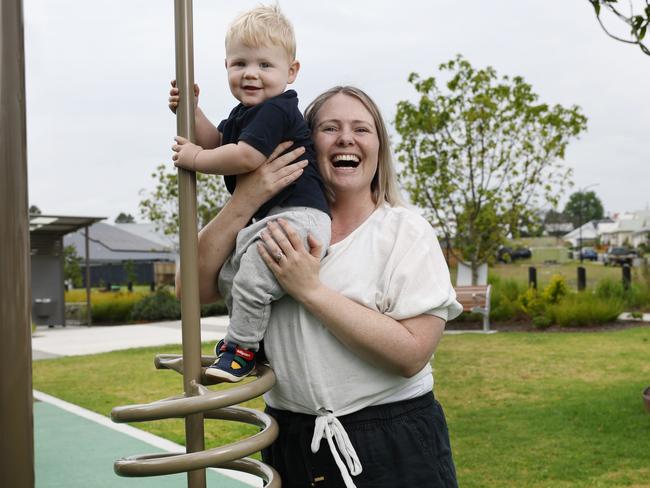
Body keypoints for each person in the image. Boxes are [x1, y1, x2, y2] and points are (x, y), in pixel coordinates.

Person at [178, 86, 462, 488]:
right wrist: (247, 198)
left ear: (379, 148)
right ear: (308, 143)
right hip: (291, 438)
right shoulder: (270, 227)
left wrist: (311, 289)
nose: (347, 138)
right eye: (330, 128)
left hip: (391, 439)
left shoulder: (404, 232)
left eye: (362, 129)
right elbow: (189, 290)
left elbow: (412, 354)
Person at [170, 5, 330, 382]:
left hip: (300, 215)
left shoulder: (277, 110)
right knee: (232, 274)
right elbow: (218, 139)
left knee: (256, 272)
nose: (251, 74)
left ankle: (241, 346)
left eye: (265, 65)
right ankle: (250, 339)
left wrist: (195, 158)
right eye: (240, 63)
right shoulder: (247, 113)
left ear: (291, 72)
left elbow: (245, 156)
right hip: (274, 215)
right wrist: (193, 112)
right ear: (226, 66)